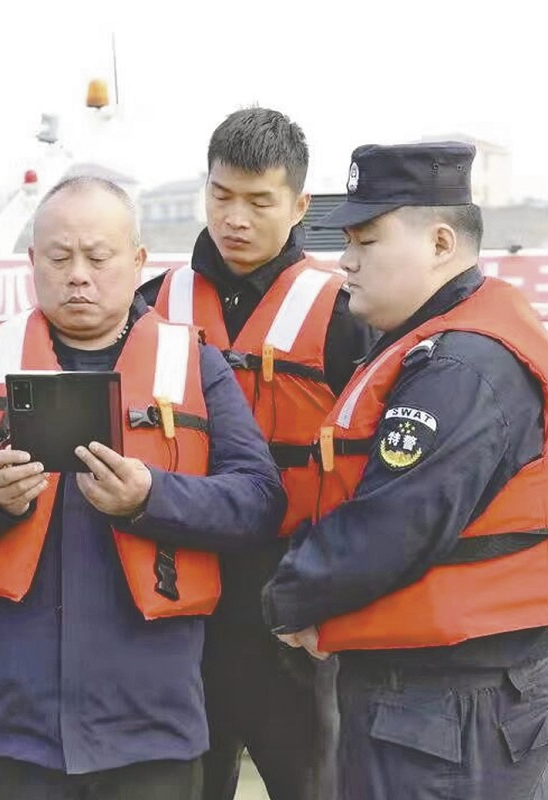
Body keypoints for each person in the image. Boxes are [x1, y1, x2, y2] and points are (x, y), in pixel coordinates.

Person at [0, 176, 285, 800]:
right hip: (16, 728)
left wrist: (152, 498)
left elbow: (260, 500)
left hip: (153, 729)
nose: (78, 275)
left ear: (137, 261)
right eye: (59, 257)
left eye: (98, 257)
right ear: (31, 262)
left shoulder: (194, 366)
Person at [263, 141, 548, 800]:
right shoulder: (437, 346)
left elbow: (396, 524)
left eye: (366, 241)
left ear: (440, 243)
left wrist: (288, 602)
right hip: (438, 699)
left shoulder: (460, 367)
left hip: (451, 709)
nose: (347, 260)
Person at [143, 107, 374, 800]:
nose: (235, 218)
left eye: (258, 201)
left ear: (300, 206)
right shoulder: (152, 306)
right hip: (179, 610)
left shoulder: (346, 312)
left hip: (292, 612)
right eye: (221, 196)